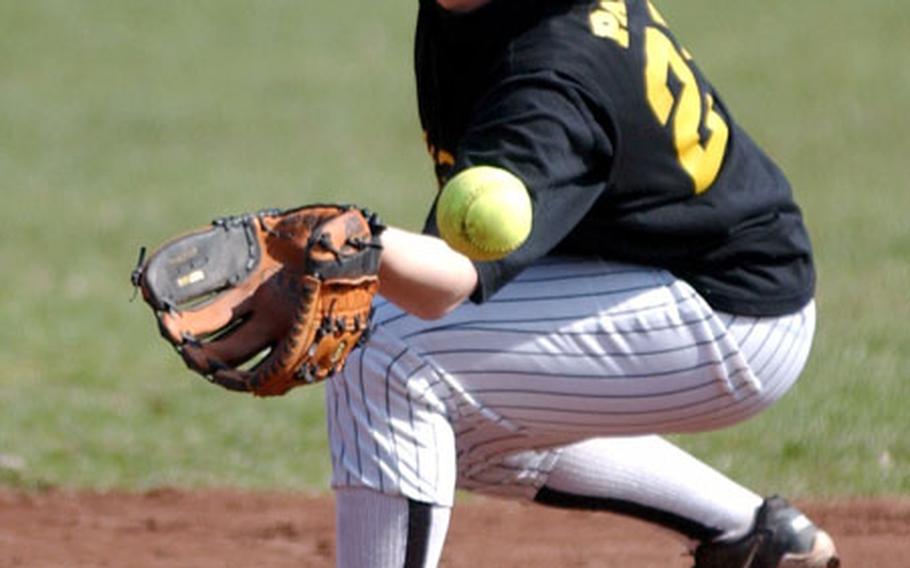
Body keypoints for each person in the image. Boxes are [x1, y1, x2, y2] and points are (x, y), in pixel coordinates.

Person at [325, 0, 839, 566]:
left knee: (381, 351)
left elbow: (444, 285)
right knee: (437, 422)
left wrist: (328, 247)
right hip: (655, 261)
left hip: (728, 312)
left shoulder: (549, 77)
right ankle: (755, 540)